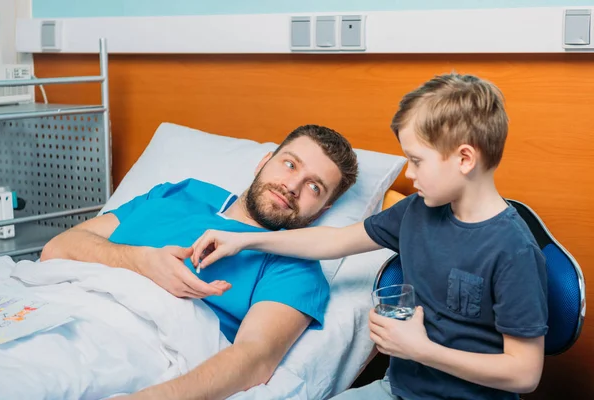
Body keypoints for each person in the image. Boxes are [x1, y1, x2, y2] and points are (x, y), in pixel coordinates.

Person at [190, 73, 549, 400]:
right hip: (397, 390)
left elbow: (524, 374)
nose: (410, 173)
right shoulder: (417, 211)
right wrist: (245, 239)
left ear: (465, 159)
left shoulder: (513, 250)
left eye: (417, 160)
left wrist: (421, 351)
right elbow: (332, 242)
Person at [40, 124, 359, 399]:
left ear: (321, 211)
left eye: (314, 187)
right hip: (50, 308)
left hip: (115, 348)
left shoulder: (295, 263)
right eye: (290, 165)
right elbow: (57, 248)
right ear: (264, 161)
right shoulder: (179, 194)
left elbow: (254, 359)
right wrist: (140, 261)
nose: (292, 186)